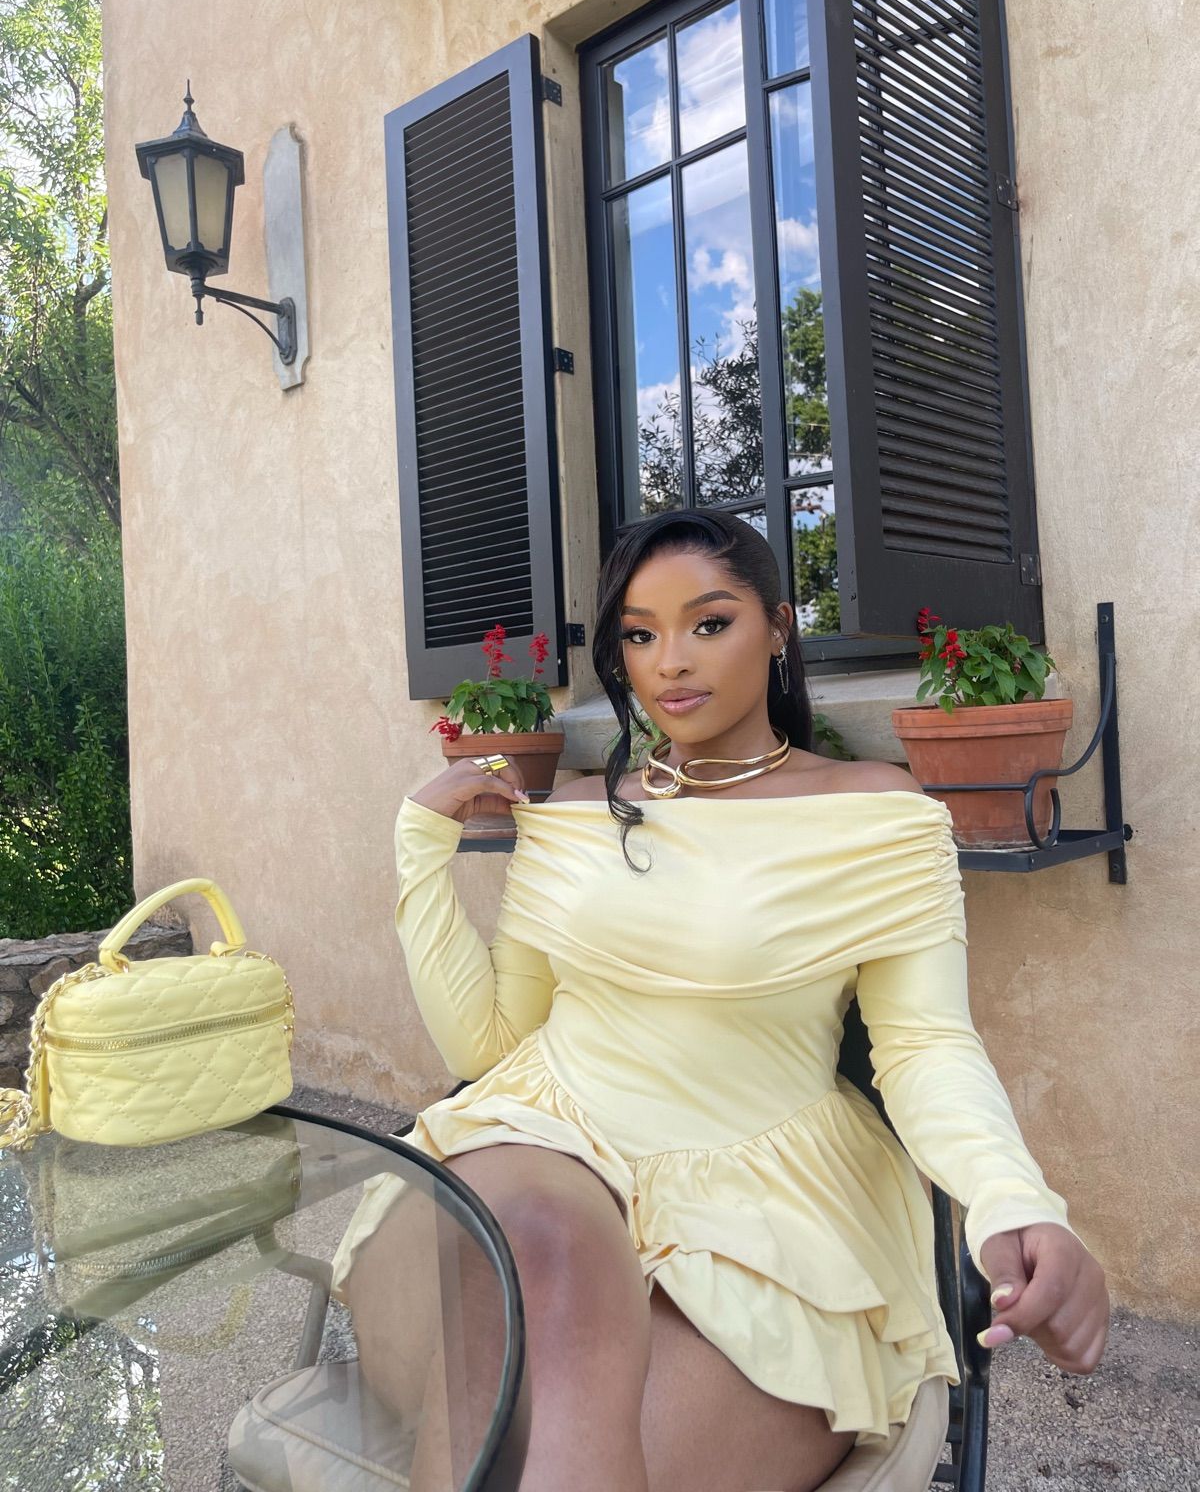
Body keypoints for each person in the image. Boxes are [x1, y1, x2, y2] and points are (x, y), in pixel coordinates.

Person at [332, 509, 1109, 1492]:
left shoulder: (875, 813)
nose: (670, 662)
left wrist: (1011, 1198)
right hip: (547, 1133)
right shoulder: (572, 814)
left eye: (709, 623)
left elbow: (923, 1046)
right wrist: (419, 850)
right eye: (639, 633)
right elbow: (491, 1045)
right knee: (542, 1249)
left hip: (761, 1185)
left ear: (778, 627)